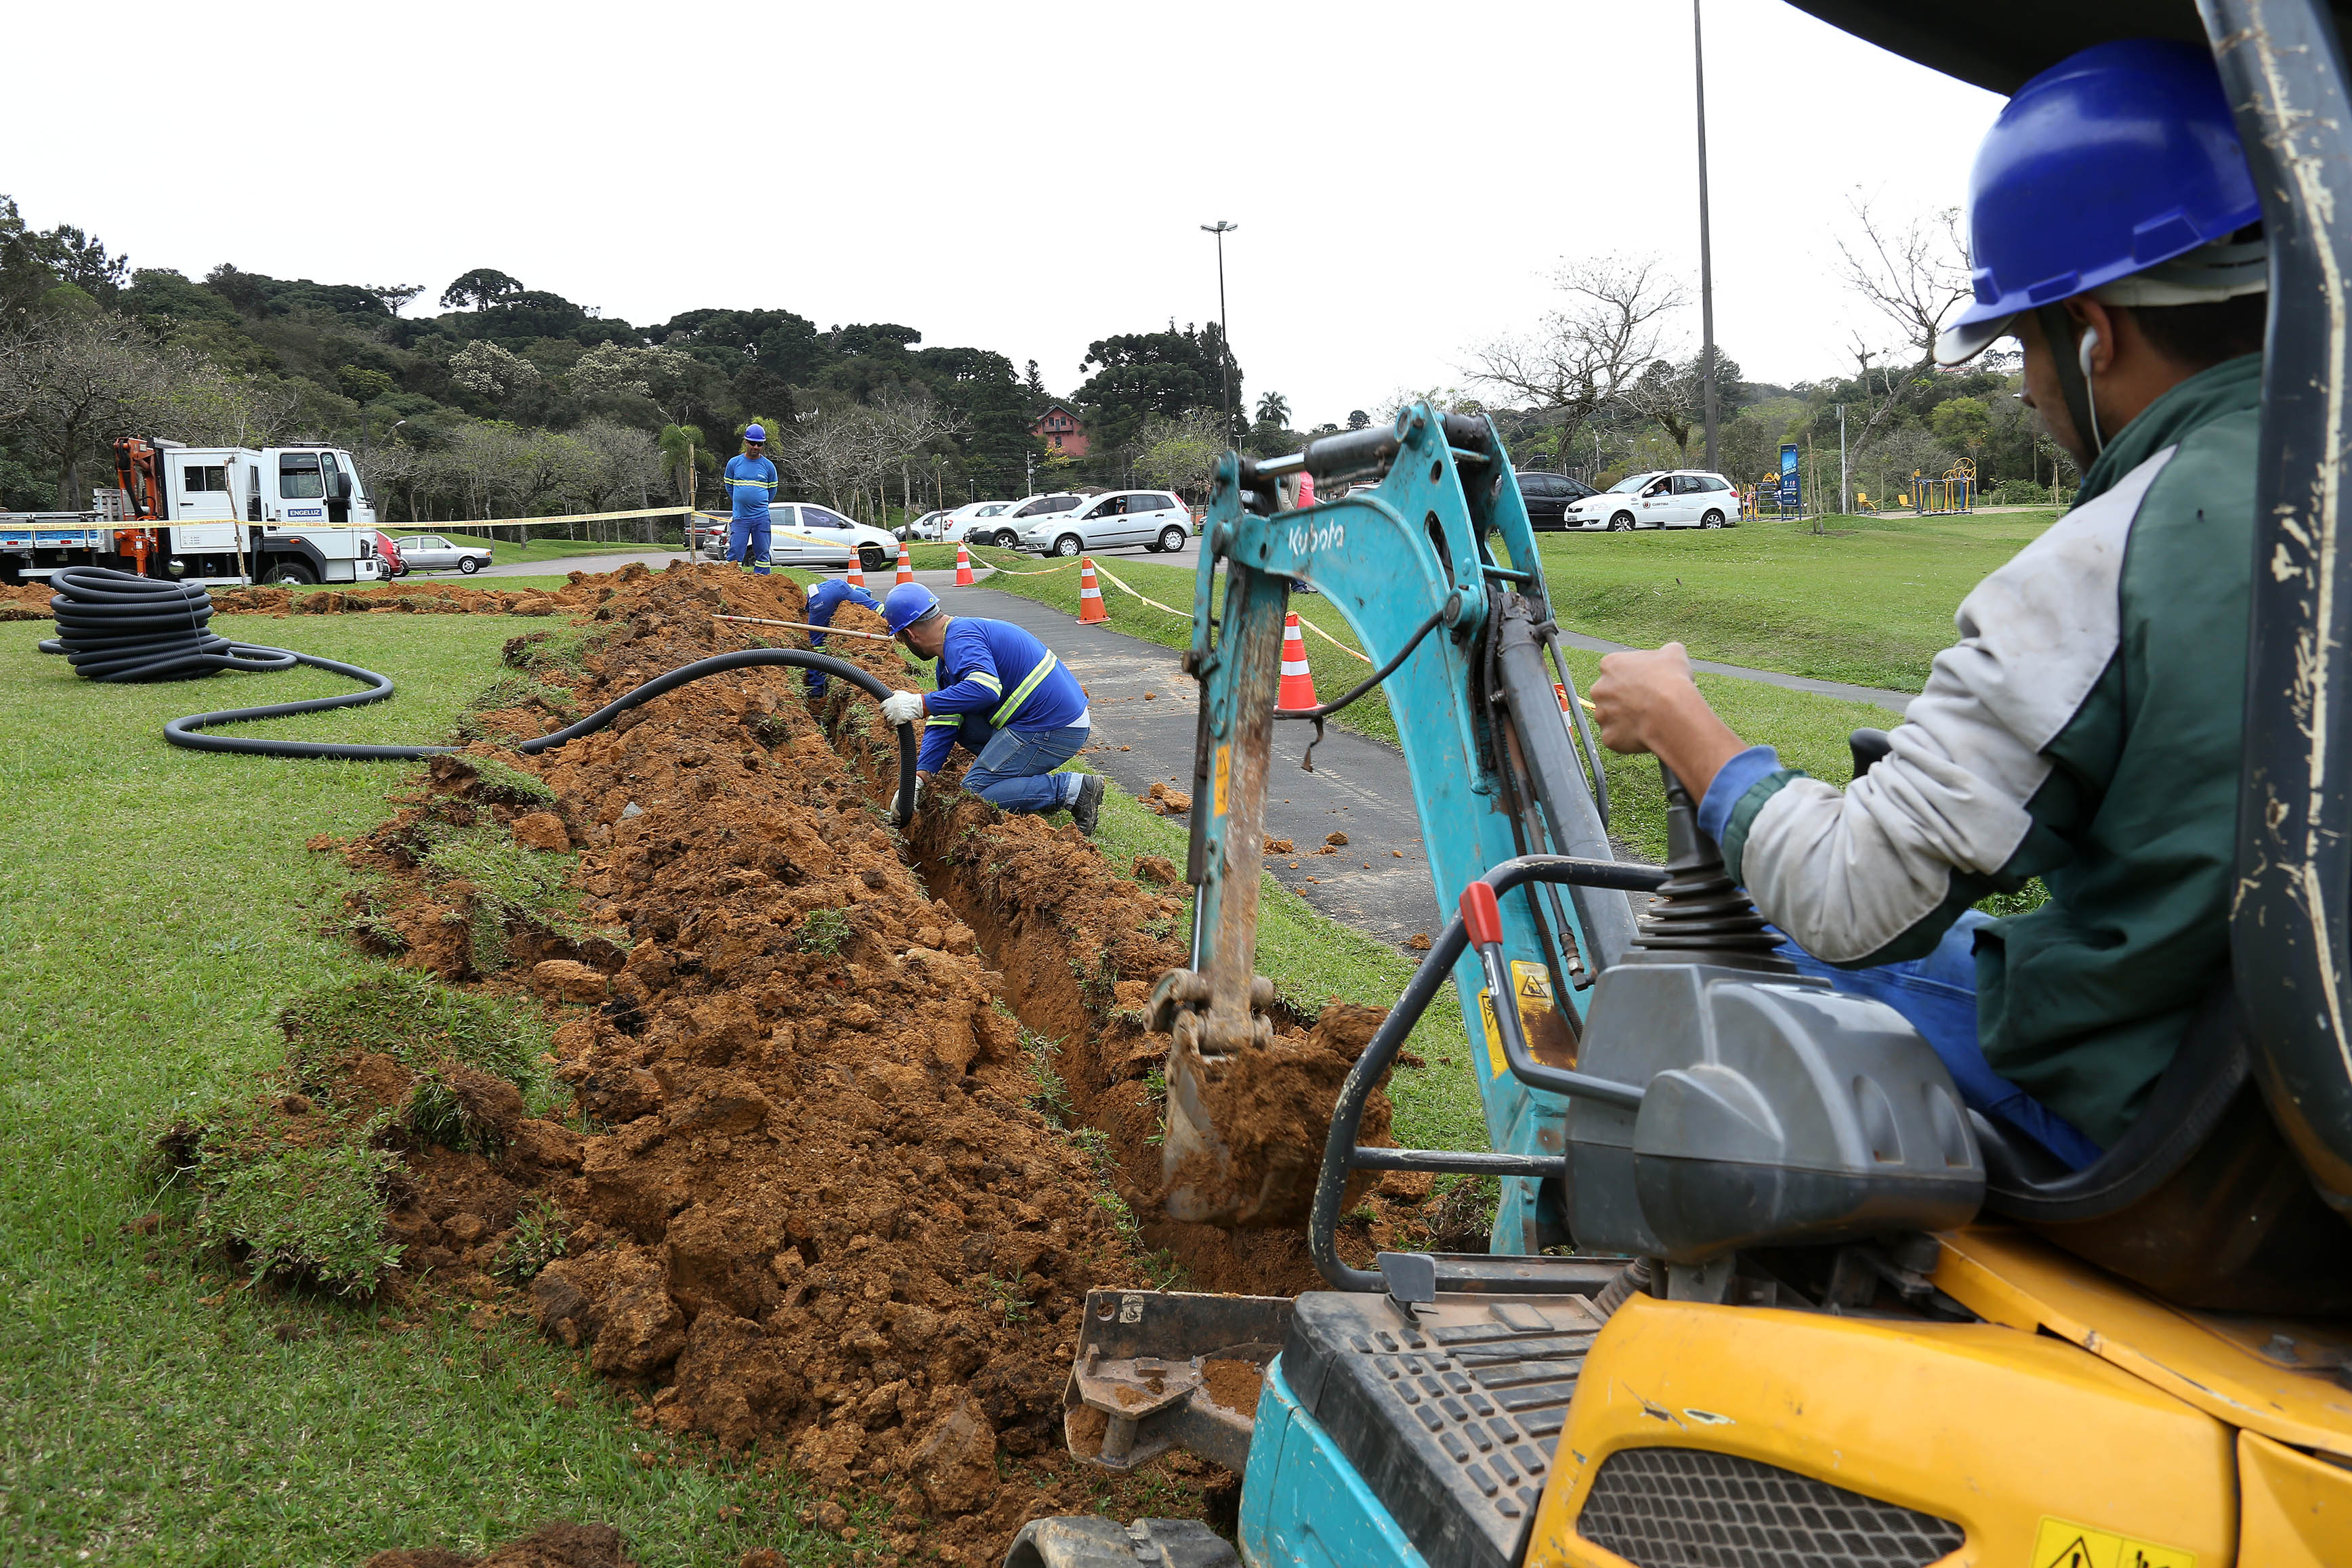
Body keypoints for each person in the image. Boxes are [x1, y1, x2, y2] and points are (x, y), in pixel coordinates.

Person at [1586, 38, 2269, 1171]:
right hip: (2294, 1093)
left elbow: (1851, 898)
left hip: (2180, 1125)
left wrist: (1682, 725)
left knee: (1759, 940)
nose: (2031, 391)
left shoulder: (2107, 559)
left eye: (2021, 346)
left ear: (2092, 333)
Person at [875, 583, 1108, 832]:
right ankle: (1022, 788)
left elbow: (985, 689)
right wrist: (919, 778)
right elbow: (945, 721)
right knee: (960, 722)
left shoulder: (962, 639)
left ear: (910, 634)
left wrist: (920, 704)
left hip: (1055, 727)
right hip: (1041, 720)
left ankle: (1073, 790)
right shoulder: (949, 655)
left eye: (900, 638)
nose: (902, 642)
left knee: (976, 794)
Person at [801, 576, 879, 696]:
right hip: (840, 587)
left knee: (817, 645)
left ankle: (816, 689)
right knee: (878, 608)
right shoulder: (857, 591)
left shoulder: (818, 598)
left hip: (823, 596)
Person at [722, 424, 779, 574]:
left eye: (759, 444)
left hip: (761, 517)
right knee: (735, 552)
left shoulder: (768, 467)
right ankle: (733, 581)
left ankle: (762, 581)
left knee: (762, 553)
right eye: (753, 443)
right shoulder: (734, 464)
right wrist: (740, 501)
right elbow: (729, 487)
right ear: (746, 442)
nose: (756, 447)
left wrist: (760, 503)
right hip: (741, 518)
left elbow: (772, 490)